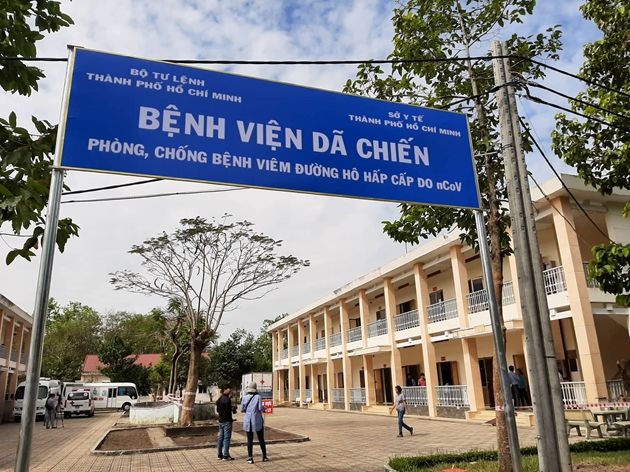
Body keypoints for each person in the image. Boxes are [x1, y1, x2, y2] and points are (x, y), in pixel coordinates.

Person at [241, 382, 268, 464]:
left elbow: (242, 409)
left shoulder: (244, 397)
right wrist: (264, 408)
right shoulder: (258, 397)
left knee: (249, 440)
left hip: (248, 421)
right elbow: (260, 408)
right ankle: (264, 456)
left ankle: (250, 458)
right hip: (257, 420)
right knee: (261, 439)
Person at [216, 385, 236, 461]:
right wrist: (232, 409)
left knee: (220, 438)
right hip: (227, 421)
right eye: (229, 389)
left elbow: (217, 410)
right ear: (225, 390)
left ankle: (219, 454)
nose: (230, 390)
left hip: (221, 421)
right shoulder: (227, 399)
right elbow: (228, 411)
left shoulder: (219, 399)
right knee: (227, 438)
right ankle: (225, 455)